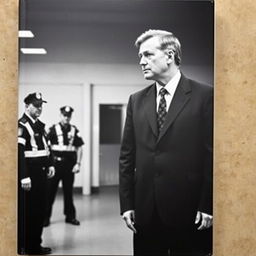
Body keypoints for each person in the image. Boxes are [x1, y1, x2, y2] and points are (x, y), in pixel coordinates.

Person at [119, 29, 213, 256]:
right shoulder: (136, 100)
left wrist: (208, 204)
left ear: (170, 56)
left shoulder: (205, 96)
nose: (142, 62)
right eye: (140, 56)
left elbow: (213, 155)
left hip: (189, 210)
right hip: (145, 211)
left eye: (148, 55)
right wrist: (127, 204)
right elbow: (126, 156)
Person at [18, 92, 55, 255]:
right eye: (36, 105)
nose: (39, 108)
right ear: (27, 106)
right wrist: (24, 176)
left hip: (41, 174)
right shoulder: (22, 125)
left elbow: (46, 147)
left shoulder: (39, 125)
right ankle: (24, 245)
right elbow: (18, 152)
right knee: (28, 212)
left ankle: (35, 244)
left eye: (41, 105)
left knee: (40, 210)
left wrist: (51, 164)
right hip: (29, 175)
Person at [44, 106, 84, 227]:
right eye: (64, 115)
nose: (66, 118)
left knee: (68, 192)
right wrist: (48, 165)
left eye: (69, 116)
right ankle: (45, 218)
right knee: (50, 192)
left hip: (69, 166)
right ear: (60, 115)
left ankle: (70, 217)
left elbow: (79, 147)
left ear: (70, 116)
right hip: (55, 165)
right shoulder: (53, 129)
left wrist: (78, 164)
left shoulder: (74, 130)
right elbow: (46, 147)